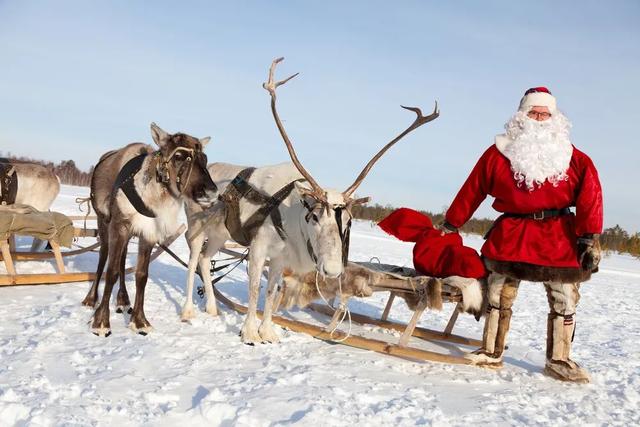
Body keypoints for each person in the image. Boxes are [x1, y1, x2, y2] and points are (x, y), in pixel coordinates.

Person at [440, 87, 603, 383]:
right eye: (533, 112)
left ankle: (559, 359)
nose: (539, 119)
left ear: (555, 119)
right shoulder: (498, 153)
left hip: (558, 236)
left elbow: (591, 195)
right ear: (521, 116)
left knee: (565, 299)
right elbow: (472, 189)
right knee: (497, 294)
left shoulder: (574, 158)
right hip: (512, 233)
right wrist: (452, 223)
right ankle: (491, 351)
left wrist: (589, 236)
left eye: (545, 114)